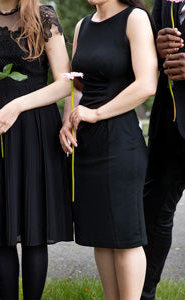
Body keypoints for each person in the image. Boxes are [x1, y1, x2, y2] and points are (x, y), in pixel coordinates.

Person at [0, 0, 73, 299]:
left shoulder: (44, 16)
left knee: (34, 231)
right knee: (1, 231)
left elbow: (66, 83)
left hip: (36, 131)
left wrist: (17, 106)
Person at [59, 0, 158, 299]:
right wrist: (68, 120)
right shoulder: (82, 25)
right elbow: (76, 84)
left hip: (120, 140)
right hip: (87, 142)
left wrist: (97, 113)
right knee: (101, 236)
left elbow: (147, 84)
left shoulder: (135, 18)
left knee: (125, 237)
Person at [141, 1, 185, 299]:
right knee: (154, 214)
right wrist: (153, 47)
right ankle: (145, 293)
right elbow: (147, 61)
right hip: (169, 124)